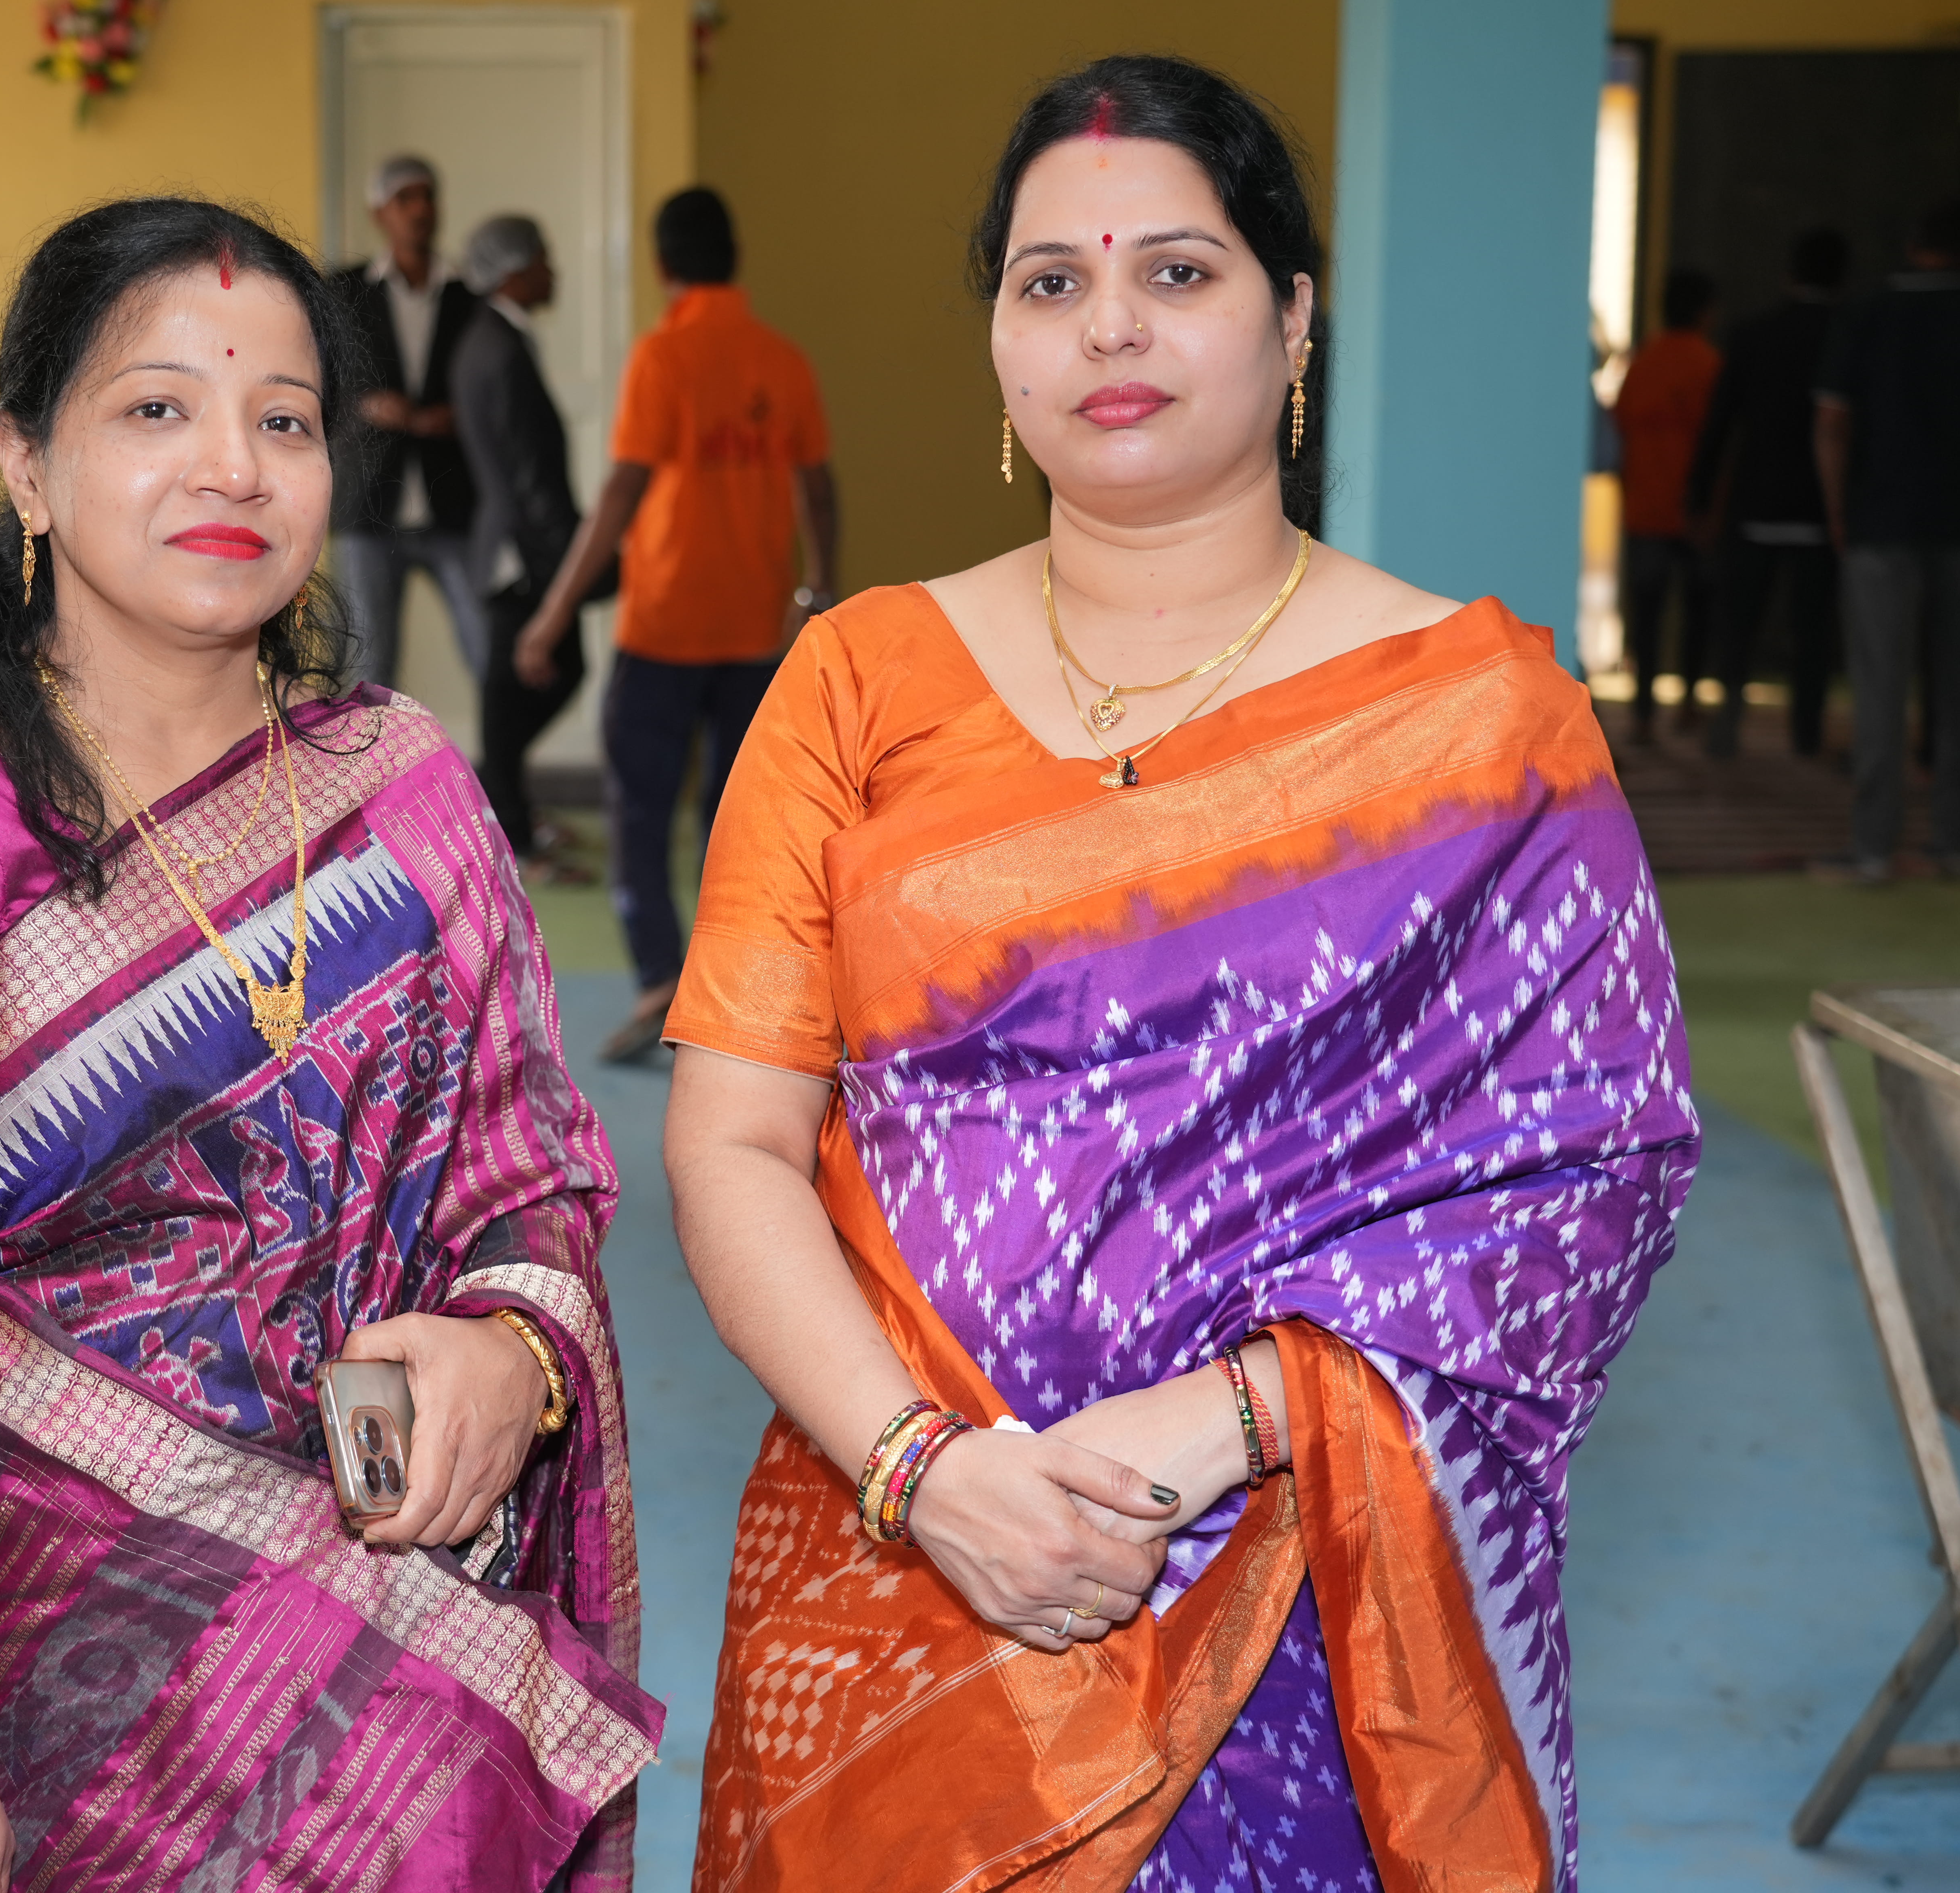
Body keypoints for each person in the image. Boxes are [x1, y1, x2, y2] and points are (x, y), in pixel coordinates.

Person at [664, 56, 1697, 1892]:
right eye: (1048, 280)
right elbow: (734, 1137)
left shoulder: (1481, 728)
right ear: (998, 340)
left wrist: (1208, 1429)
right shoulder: (855, 679)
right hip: (890, 1559)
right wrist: (923, 1469)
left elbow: (1584, 1173)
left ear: (1291, 319)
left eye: (1177, 270)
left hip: (1294, 1582)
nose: (1108, 325)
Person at [0, 196, 656, 1893]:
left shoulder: (402, 785)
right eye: (157, 408)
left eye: (285, 420)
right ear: (27, 465)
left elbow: (529, 1169)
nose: (233, 466)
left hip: (419, 1651)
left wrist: (515, 1357)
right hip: (63, 1668)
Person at [513, 187, 837, 1065]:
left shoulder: (662, 357)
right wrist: (817, 589)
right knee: (738, 825)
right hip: (755, 630)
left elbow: (620, 494)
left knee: (639, 816)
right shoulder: (782, 360)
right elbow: (817, 488)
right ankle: (730, 994)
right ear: (734, 257)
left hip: (662, 628)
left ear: (662, 265)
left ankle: (661, 977)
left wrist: (552, 613)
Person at [1815, 196, 1960, 881]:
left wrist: (1837, 512)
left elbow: (1831, 424)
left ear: (1913, 246)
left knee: (1880, 686)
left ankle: (1872, 848)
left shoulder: (1866, 314)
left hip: (1881, 522)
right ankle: (1953, 842)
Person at [451, 214, 594, 877]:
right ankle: (508, 838)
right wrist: (568, 560)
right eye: (543, 257)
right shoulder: (499, 349)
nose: (553, 271)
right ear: (513, 270)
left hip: (515, 548)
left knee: (538, 684)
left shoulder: (491, 340)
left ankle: (507, 815)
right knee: (512, 701)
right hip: (519, 555)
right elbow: (530, 473)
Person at [329, 156, 488, 689]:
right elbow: (310, 381)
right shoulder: (345, 292)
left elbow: (494, 383)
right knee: (369, 664)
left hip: (455, 501)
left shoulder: (469, 295)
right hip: (369, 502)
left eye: (428, 196)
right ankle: (370, 751)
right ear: (379, 213)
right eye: (405, 199)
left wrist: (465, 415)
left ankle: (500, 749)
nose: (420, 209)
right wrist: (364, 406)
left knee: (488, 647)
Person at [1691, 226, 1848, 760]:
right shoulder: (1847, 333)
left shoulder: (1753, 334)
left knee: (1740, 620)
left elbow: (1719, 423)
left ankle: (1729, 715)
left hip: (1756, 499)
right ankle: (1807, 732)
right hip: (1821, 506)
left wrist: (1699, 494)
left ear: (1788, 274)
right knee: (1813, 629)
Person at [1611, 267, 1721, 743]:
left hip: (1645, 508)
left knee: (1647, 616)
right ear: (1705, 313)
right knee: (1698, 611)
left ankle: (1642, 716)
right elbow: (1720, 441)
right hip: (1695, 511)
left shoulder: (1643, 363)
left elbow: (1619, 427)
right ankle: (1690, 705)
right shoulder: (1709, 364)